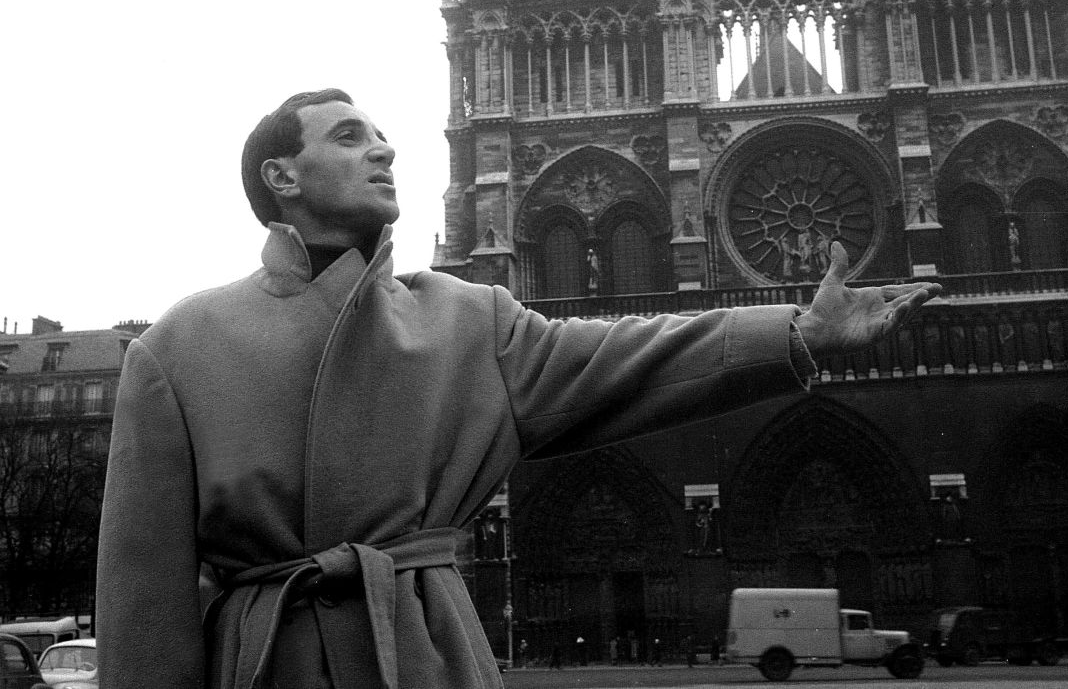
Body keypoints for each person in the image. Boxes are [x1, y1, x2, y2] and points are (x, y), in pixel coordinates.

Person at [95, 88, 941, 689]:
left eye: (384, 137)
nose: (384, 149)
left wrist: (798, 332)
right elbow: (142, 609)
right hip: (268, 659)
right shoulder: (178, 348)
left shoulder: (467, 319)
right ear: (281, 177)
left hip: (427, 653)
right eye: (350, 137)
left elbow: (630, 357)